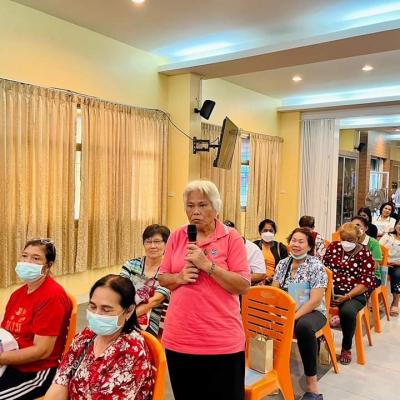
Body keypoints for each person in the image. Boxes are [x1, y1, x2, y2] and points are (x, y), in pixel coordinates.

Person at [158, 180, 250, 400]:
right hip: (180, 337)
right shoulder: (177, 236)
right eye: (190, 206)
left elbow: (243, 285)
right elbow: (162, 277)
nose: (195, 212)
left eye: (202, 205)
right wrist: (179, 278)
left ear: (216, 207)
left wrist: (208, 266)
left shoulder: (231, 237)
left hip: (221, 340)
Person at [45, 274, 153, 400]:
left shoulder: (131, 351)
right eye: (93, 306)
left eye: (106, 310)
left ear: (129, 311)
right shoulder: (87, 335)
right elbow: (61, 380)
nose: (96, 314)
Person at [0, 238, 72, 399]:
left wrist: (1, 358)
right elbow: (6, 334)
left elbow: (42, 351)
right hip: (11, 363)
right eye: (24, 256)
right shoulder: (18, 294)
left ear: (48, 266)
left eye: (36, 258)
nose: (27, 262)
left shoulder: (52, 297)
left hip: (36, 372)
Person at [272, 228, 327, 400]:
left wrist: (292, 317)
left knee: (304, 327)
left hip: (313, 311)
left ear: (309, 246)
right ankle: (270, 375)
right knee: (262, 321)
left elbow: (315, 300)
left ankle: (312, 384)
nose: (295, 244)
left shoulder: (316, 266)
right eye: (293, 240)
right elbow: (275, 292)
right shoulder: (283, 264)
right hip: (287, 310)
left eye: (301, 241)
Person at [323, 223, 375, 365]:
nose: (346, 243)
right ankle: (319, 341)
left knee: (347, 312)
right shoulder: (333, 247)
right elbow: (323, 267)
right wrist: (327, 291)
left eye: (350, 240)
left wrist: (347, 297)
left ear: (358, 239)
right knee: (312, 303)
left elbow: (366, 282)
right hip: (331, 290)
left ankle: (346, 347)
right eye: (343, 239)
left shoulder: (365, 253)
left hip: (354, 293)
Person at [120, 224, 170, 336]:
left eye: (157, 242)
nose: (152, 246)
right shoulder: (131, 265)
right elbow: (120, 292)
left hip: (150, 323)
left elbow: (154, 301)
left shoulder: (169, 271)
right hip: (124, 314)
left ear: (166, 244)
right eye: (148, 241)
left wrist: (125, 319)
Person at [223, 220, 267, 285]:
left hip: (244, 286)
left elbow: (261, 274)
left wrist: (238, 279)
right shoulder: (217, 245)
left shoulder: (253, 248)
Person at [351, 215, 383, 286]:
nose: (355, 227)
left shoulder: (373, 242)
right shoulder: (349, 241)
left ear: (366, 228)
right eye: (352, 225)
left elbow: (375, 265)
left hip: (371, 275)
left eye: (358, 225)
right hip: (352, 273)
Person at [253, 219, 288, 284]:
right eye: (265, 230)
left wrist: (271, 279)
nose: (268, 233)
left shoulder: (280, 248)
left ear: (274, 232)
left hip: (274, 282)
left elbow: (285, 269)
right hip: (255, 281)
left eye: (271, 231)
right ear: (260, 232)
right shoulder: (254, 246)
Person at [379, 219, 400, 317]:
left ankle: (395, 302)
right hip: (383, 263)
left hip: (397, 265)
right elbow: (378, 249)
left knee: (398, 275)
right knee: (380, 273)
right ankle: (379, 300)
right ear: (396, 225)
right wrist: (384, 262)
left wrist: (396, 263)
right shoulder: (388, 236)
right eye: (399, 224)